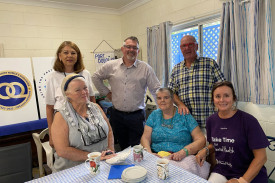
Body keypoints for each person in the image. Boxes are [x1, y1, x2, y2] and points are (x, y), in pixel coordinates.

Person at [92, 36, 161, 150]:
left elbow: (156, 89)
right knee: (121, 147)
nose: (131, 50)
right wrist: (107, 93)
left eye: (134, 48)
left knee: (138, 147)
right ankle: (125, 167)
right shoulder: (111, 65)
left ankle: (137, 168)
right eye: (128, 46)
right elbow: (95, 77)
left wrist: (162, 110)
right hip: (117, 115)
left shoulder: (145, 68)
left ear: (138, 51)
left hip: (137, 116)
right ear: (122, 49)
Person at [196, 81, 269, 183]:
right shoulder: (211, 121)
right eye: (217, 96)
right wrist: (206, 150)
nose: (222, 100)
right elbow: (216, 144)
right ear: (213, 99)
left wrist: (242, 181)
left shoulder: (248, 121)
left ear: (234, 98)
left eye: (226, 95)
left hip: (248, 174)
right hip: (222, 171)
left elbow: (261, 157)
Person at [51, 74, 115, 172]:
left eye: (85, 88)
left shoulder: (96, 107)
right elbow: (62, 150)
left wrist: (110, 150)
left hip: (102, 163)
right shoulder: (61, 116)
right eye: (78, 90)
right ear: (67, 94)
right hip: (73, 170)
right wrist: (93, 157)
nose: (84, 92)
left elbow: (109, 131)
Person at [168, 35, 225, 130]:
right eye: (184, 46)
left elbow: (223, 87)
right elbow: (170, 92)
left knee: (210, 145)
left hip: (209, 123)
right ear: (181, 49)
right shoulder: (176, 69)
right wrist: (180, 104)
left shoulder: (210, 64)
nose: (187, 48)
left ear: (196, 46)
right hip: (186, 125)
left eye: (190, 44)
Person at [46, 41, 96, 147]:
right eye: (65, 52)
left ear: (78, 56)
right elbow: (49, 107)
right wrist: (51, 134)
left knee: (90, 150)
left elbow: (91, 98)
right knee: (67, 154)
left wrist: (95, 121)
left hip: (85, 120)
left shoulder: (85, 73)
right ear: (59, 56)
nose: (69, 56)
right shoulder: (52, 76)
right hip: (62, 122)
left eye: (73, 53)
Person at [140, 88, 206, 161]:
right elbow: (145, 137)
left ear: (172, 99)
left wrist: (183, 152)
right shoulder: (154, 115)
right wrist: (149, 153)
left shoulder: (184, 115)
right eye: (159, 98)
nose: (162, 100)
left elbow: (201, 140)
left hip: (181, 158)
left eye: (166, 97)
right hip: (155, 155)